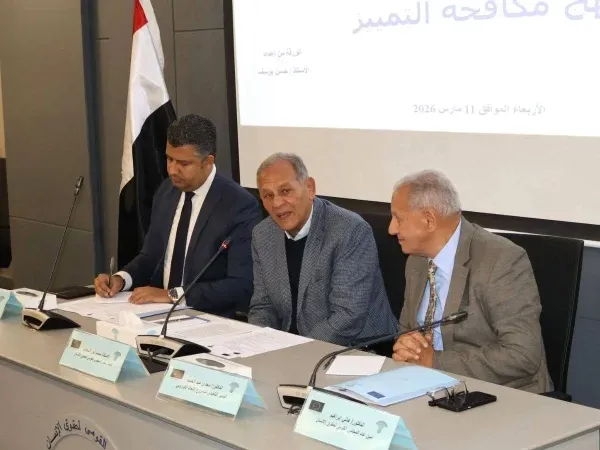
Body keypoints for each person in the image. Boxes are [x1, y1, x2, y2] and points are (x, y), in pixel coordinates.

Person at [389, 169, 551, 392]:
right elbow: (407, 330)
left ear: (429, 219)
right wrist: (407, 346)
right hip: (429, 387)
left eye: (398, 218)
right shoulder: (417, 260)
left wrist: (435, 361)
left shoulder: (502, 260)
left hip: (500, 393)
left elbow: (522, 354)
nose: (391, 229)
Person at [94, 114, 261, 318]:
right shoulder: (166, 191)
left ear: (208, 162)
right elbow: (151, 255)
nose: (172, 170)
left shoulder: (238, 205)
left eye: (183, 163)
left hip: (207, 318)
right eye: (169, 159)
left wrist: (173, 295)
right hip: (157, 313)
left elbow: (241, 284)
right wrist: (121, 279)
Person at [248, 153, 397, 346]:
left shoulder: (349, 230)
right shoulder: (263, 234)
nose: (277, 203)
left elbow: (348, 316)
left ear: (310, 188)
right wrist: (259, 344)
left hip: (358, 347)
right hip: (291, 347)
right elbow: (263, 306)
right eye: (268, 195)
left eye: (285, 191)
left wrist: (296, 351)